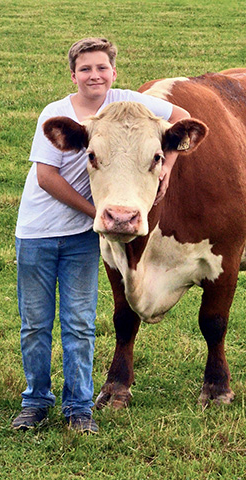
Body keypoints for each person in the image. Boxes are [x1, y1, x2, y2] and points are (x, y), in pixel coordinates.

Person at [12, 37, 190, 433]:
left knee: (79, 322)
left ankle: (78, 408)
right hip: (38, 232)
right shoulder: (57, 115)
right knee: (35, 323)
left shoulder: (127, 102)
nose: (95, 75)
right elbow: (45, 178)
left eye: (102, 68)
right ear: (73, 75)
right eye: (86, 69)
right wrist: (100, 214)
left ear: (113, 72)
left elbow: (183, 117)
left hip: (81, 238)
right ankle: (35, 401)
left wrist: (167, 166)